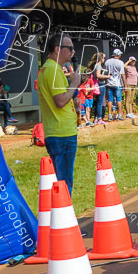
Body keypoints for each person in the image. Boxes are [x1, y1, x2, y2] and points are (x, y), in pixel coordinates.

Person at [38, 32, 81, 192]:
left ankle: (60, 213)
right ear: (57, 49)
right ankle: (64, 214)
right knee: (64, 182)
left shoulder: (49, 69)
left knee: (61, 179)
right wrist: (75, 83)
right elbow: (61, 101)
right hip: (62, 133)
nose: (73, 52)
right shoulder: (54, 70)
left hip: (56, 131)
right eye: (69, 48)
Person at [104, 48, 125, 121]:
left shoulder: (107, 62)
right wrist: (125, 84)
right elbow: (123, 75)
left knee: (110, 100)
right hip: (118, 83)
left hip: (109, 83)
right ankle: (119, 114)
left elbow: (106, 72)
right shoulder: (120, 63)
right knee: (118, 100)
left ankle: (109, 115)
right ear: (118, 55)